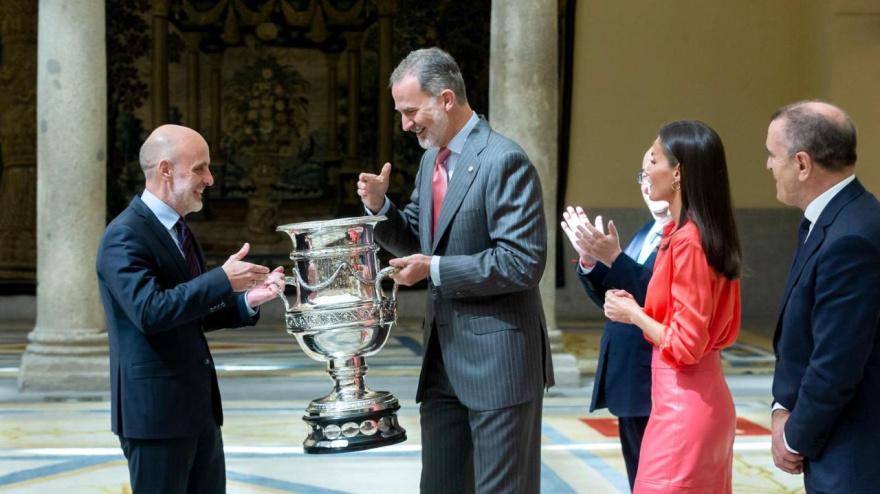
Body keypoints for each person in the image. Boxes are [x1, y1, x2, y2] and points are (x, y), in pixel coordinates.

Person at [357, 47, 554, 493]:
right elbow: (416, 238)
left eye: (411, 111)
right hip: (442, 363)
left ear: (446, 99)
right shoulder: (432, 160)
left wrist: (435, 268)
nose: (405, 124)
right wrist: (380, 207)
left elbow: (522, 262)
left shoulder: (504, 160)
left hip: (499, 366)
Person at [96, 124, 285, 493]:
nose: (209, 179)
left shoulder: (179, 230)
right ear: (166, 170)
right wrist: (221, 279)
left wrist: (247, 300)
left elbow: (189, 311)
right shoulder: (124, 235)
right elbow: (149, 312)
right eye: (200, 168)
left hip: (198, 411)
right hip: (155, 417)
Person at [603, 120, 742, 494]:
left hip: (684, 408)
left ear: (677, 173)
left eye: (652, 160)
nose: (645, 170)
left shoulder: (688, 241)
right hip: (699, 399)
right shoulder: (691, 233)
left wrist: (633, 315)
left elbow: (685, 344)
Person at [765, 101, 880, 493]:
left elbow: (836, 363)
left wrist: (793, 438)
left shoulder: (853, 236)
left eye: (772, 154)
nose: (768, 165)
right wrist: (781, 407)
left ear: (802, 163)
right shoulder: (834, 218)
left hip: (852, 456)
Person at [560, 148, 671, 490]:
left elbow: (659, 299)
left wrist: (614, 257)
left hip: (654, 381)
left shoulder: (685, 236)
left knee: (658, 479)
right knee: (639, 479)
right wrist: (592, 262)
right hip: (629, 381)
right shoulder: (647, 231)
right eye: (641, 177)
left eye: (652, 173)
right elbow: (616, 298)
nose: (646, 184)